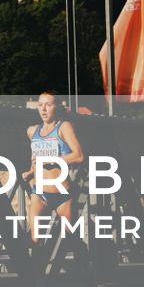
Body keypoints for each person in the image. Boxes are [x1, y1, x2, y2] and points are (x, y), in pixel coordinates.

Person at [22, 91, 85, 230]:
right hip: (39, 193)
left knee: (68, 237)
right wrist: (30, 172)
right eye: (40, 105)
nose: (43, 109)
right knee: (35, 238)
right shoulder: (32, 131)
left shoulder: (64, 127)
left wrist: (51, 160)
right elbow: (35, 161)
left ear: (57, 107)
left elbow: (79, 156)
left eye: (48, 105)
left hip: (62, 193)